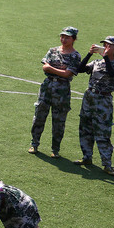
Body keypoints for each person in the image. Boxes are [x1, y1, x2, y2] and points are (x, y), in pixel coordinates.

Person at [75, 36, 114, 176]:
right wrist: (89, 54)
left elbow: (112, 73)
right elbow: (79, 69)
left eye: (109, 45)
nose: (106, 47)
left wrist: (106, 58)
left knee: (103, 132)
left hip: (103, 100)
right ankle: (87, 157)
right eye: (105, 45)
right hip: (89, 97)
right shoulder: (96, 62)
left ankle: (107, 165)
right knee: (85, 127)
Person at [29, 26, 81, 158]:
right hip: (47, 87)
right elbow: (44, 68)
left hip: (62, 90)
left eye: (67, 37)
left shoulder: (75, 56)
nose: (64, 39)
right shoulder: (52, 51)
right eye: (62, 36)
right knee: (39, 115)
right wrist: (58, 71)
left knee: (59, 121)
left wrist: (52, 69)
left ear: (74, 39)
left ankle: (55, 149)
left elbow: (68, 73)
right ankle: (34, 144)